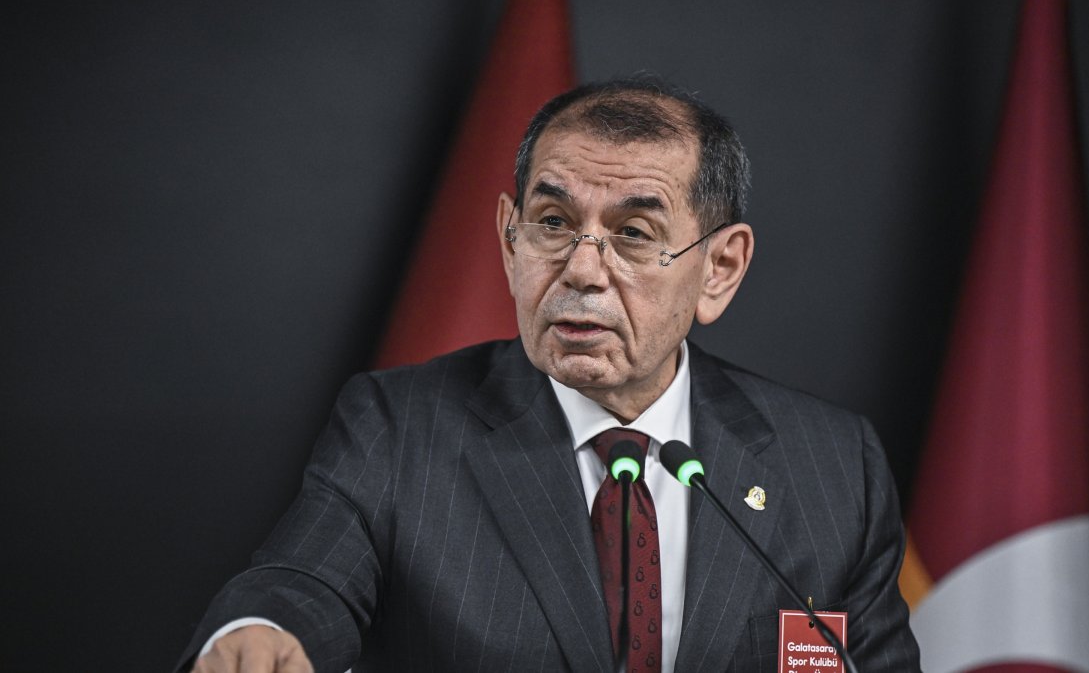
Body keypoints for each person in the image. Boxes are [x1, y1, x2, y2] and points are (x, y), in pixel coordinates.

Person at [181, 78, 920, 673]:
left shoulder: (832, 464)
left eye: (633, 234)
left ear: (718, 269)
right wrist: (264, 627)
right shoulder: (398, 427)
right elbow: (305, 576)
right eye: (553, 223)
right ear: (510, 241)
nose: (582, 269)